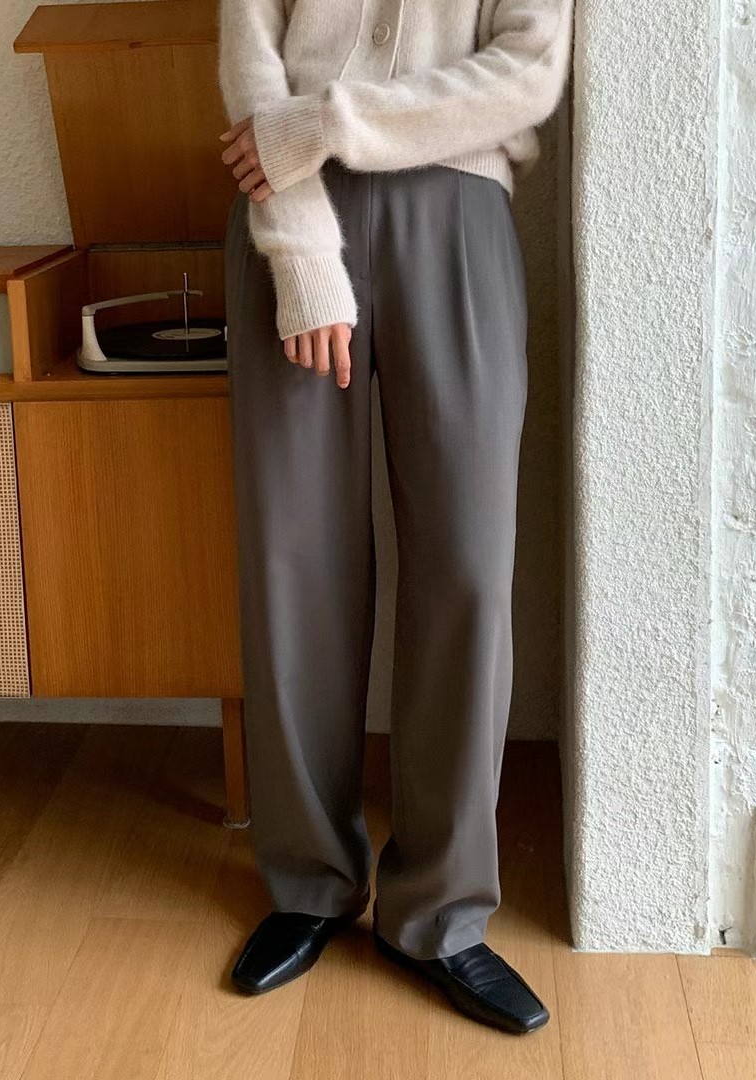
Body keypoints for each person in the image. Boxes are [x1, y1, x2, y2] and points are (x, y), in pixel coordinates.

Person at [216, 0, 573, 1036]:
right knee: (295, 560)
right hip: (289, 214)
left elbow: (529, 71)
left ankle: (442, 912)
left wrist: (327, 121)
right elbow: (251, 64)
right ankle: (309, 882)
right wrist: (300, 253)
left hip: (457, 216)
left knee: (469, 564)